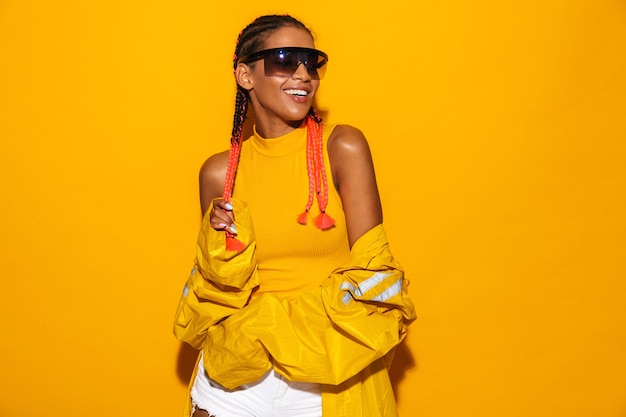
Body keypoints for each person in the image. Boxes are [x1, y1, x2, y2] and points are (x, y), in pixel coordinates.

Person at [173, 14, 416, 417]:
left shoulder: (342, 147)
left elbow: (375, 272)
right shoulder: (219, 173)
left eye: (312, 61)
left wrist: (276, 326)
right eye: (285, 59)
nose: (303, 74)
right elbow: (218, 294)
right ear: (246, 75)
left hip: (327, 368)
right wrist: (219, 248)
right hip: (239, 366)